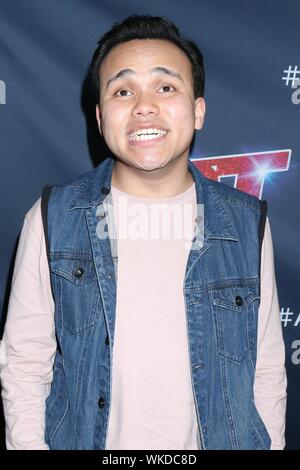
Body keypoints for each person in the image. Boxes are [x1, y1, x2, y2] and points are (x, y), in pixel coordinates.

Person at [0, 15, 286, 450]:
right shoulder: (52, 216)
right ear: (100, 117)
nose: (144, 106)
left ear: (198, 110)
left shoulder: (247, 222)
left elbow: (264, 370)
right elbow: (24, 363)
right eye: (122, 90)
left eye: (166, 87)